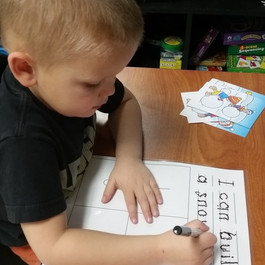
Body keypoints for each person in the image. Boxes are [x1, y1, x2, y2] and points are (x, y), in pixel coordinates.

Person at [0, 1, 217, 265]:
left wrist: (129, 159)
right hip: (31, 241)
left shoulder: (76, 79)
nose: (110, 91)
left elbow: (127, 102)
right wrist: (162, 250)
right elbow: (53, 249)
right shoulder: (22, 143)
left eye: (113, 76)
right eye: (92, 83)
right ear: (26, 69)